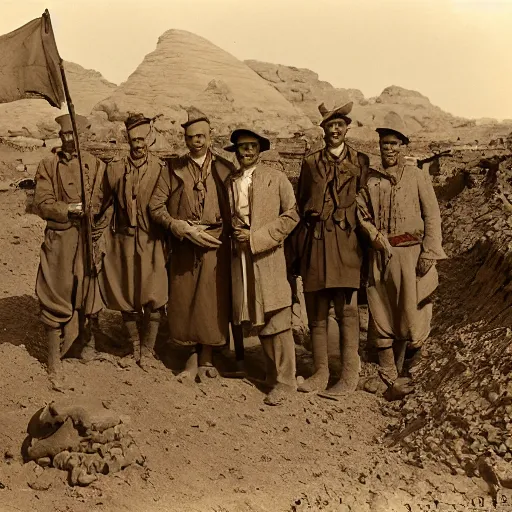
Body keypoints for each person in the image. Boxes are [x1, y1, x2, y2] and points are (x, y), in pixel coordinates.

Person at [356, 112, 447, 394]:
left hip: (412, 254)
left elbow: (432, 215)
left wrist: (429, 252)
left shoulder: (418, 177)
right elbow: (362, 214)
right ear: (379, 146)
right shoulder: (371, 181)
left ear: (403, 146)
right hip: (383, 255)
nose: (390, 149)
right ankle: (386, 371)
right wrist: (374, 237)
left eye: (395, 143)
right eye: (385, 143)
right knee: (382, 310)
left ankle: (410, 372)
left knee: (413, 310)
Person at [149, 107, 235, 381]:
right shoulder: (173, 168)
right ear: (184, 139)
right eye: (191, 136)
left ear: (210, 137)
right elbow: (155, 206)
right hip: (184, 243)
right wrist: (178, 226)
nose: (196, 140)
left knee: (211, 300)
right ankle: (190, 357)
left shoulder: (225, 168)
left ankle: (208, 356)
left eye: (201, 136)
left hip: (215, 242)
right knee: (184, 298)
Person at [293, 102, 369, 397]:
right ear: (322, 129)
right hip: (318, 240)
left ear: (346, 128)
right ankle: (320, 372)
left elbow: (365, 202)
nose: (334, 130)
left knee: (347, 308)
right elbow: (301, 203)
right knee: (317, 307)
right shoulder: (311, 162)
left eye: (339, 125)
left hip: (348, 241)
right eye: (329, 126)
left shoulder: (360, 161)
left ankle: (349, 374)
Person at [226, 128, 299, 405]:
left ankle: (286, 381)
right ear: (236, 151)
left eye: (252, 146)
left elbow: (291, 215)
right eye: (242, 147)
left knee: (277, 312)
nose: (247, 151)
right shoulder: (231, 181)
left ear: (260, 150)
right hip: (241, 256)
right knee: (258, 312)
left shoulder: (276, 178)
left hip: (267, 254)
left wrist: (258, 238)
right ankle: (271, 374)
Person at [34, 114, 108, 388]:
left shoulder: (95, 166)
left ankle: (83, 346)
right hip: (61, 238)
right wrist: (70, 209)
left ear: (84, 136)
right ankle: (54, 360)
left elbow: (102, 200)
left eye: (74, 135)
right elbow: (43, 203)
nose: (69, 140)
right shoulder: (48, 165)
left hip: (86, 238)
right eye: (64, 135)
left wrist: (95, 214)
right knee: (57, 290)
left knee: (86, 288)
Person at [97, 113, 168, 369]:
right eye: (133, 139)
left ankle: (149, 350)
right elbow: (102, 202)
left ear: (149, 137)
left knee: (154, 291)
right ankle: (134, 346)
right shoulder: (115, 168)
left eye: (142, 139)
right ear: (127, 138)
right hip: (122, 237)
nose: (138, 145)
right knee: (125, 291)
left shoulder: (161, 168)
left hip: (152, 238)